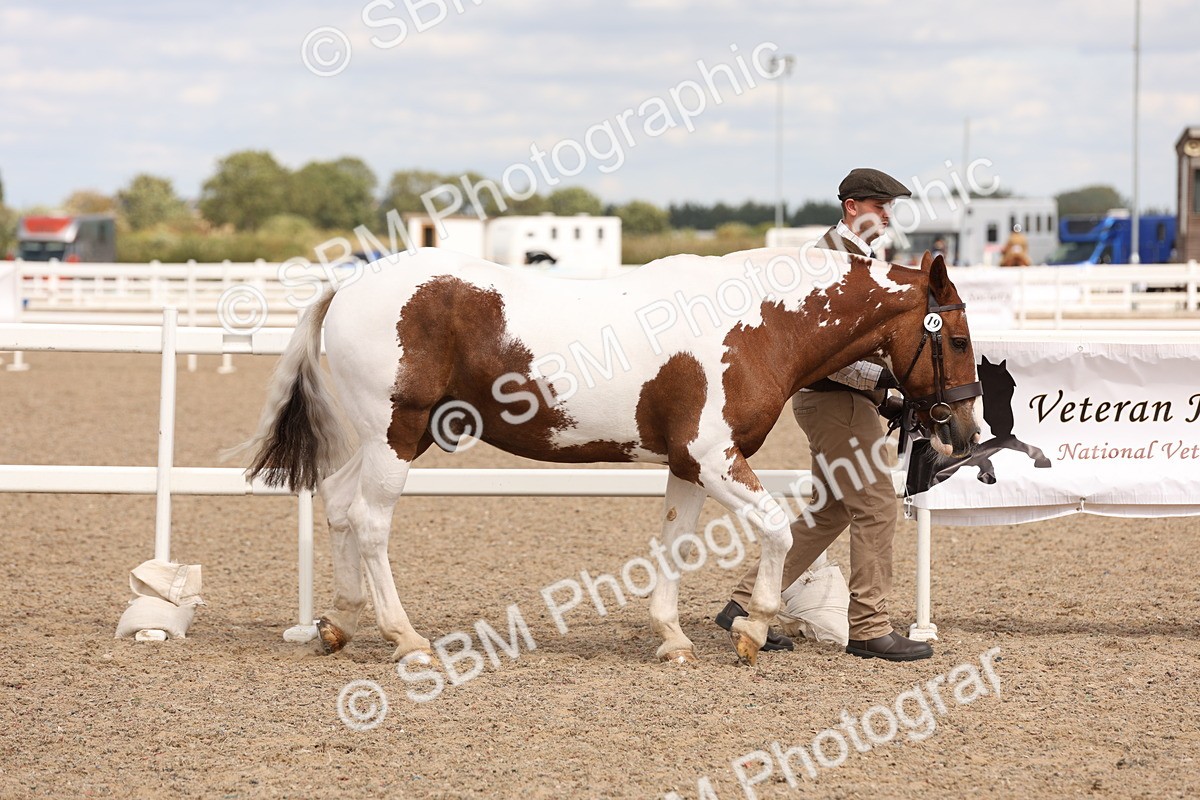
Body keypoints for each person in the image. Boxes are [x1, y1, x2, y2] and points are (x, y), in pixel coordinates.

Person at [715, 167, 934, 662]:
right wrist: (883, 383)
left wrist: (887, 390)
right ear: (853, 207)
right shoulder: (827, 264)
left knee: (831, 510)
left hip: (842, 401)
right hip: (834, 400)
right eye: (882, 208)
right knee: (877, 504)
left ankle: (744, 605)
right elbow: (820, 354)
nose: (888, 216)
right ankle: (869, 627)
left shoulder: (860, 259)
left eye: (890, 209)